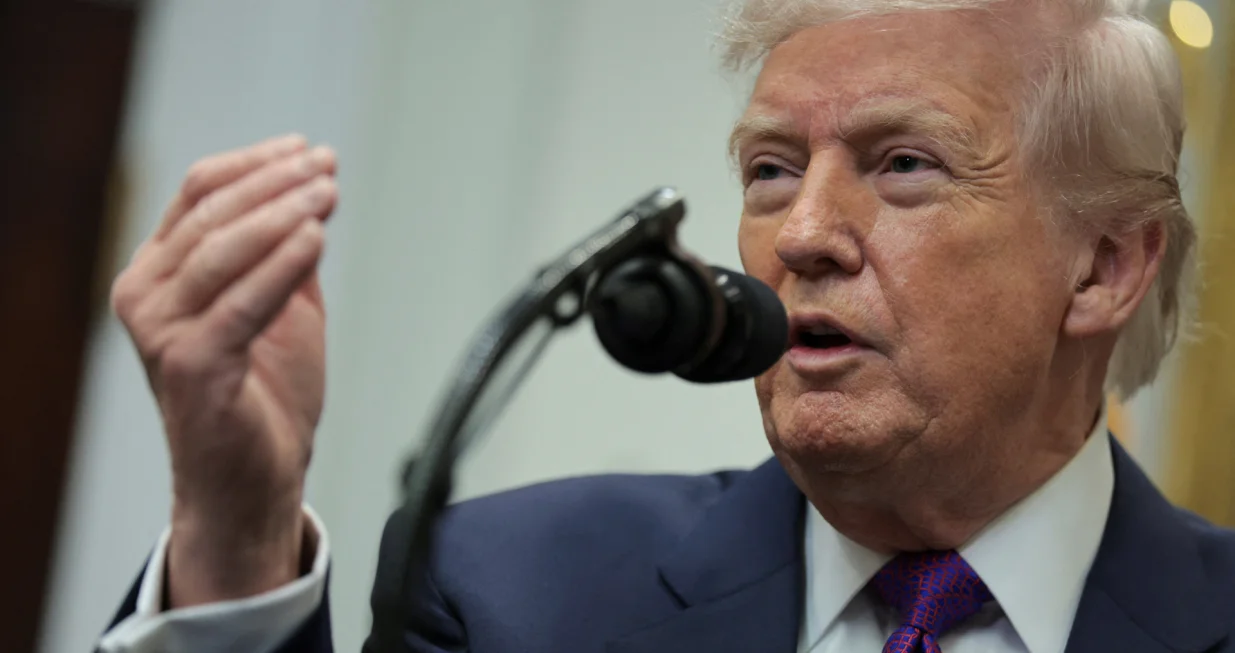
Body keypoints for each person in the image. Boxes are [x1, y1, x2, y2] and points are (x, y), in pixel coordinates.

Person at [96, 0, 1235, 651]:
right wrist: (235, 532)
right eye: (771, 169)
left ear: (1101, 265)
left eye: (902, 164)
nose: (802, 233)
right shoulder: (506, 594)